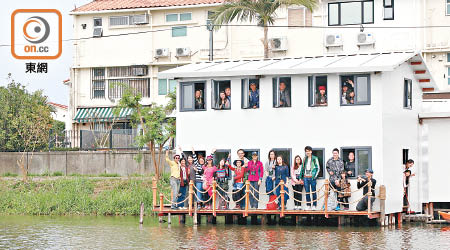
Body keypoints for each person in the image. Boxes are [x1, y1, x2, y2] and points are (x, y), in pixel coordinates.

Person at [301, 146, 320, 210]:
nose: (307, 152)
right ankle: (308, 205)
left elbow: (318, 168)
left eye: (308, 151)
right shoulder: (304, 159)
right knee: (307, 192)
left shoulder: (315, 158)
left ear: (311, 151)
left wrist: (314, 176)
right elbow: (302, 168)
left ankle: (314, 205)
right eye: (306, 151)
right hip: (306, 177)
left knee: (314, 191)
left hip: (312, 178)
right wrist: (301, 177)